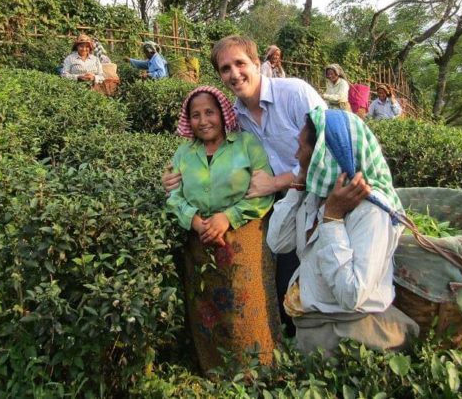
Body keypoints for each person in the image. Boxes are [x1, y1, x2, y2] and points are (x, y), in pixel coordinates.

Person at [163, 35, 369, 334]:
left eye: (240, 63)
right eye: (225, 68)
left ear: (257, 63)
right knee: (288, 282)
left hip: (330, 197)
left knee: (338, 273)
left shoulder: (295, 93)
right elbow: (219, 156)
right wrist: (174, 176)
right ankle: (295, 348)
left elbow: (329, 148)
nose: (234, 74)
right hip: (288, 206)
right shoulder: (236, 117)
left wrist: (276, 182)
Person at [266, 107, 419, 354]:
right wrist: (298, 184)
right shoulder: (314, 196)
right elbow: (277, 243)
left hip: (353, 339)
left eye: (302, 148)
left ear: (321, 155)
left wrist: (333, 220)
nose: (296, 154)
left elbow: (351, 295)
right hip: (315, 330)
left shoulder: (370, 210)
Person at [166, 86, 278, 371]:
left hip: (243, 239)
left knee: (246, 307)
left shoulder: (247, 145)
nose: (203, 121)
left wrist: (228, 217)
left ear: (222, 114)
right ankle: (213, 372)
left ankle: (259, 371)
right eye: (195, 115)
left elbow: (264, 191)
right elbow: (173, 195)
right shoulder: (183, 153)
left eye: (209, 113)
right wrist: (191, 218)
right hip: (200, 243)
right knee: (207, 310)